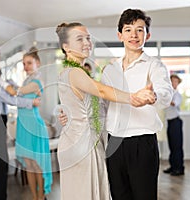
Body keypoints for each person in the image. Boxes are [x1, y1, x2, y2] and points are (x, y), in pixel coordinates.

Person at [55, 22, 156, 200]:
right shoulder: (74, 73)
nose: (87, 42)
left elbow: (94, 105)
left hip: (88, 140)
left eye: (88, 38)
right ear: (66, 47)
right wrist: (134, 97)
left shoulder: (79, 72)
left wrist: (68, 114)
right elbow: (102, 91)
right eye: (79, 39)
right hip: (81, 144)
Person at [102, 9, 173, 200]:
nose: (134, 35)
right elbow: (101, 104)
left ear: (147, 35)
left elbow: (166, 94)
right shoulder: (109, 69)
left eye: (139, 30)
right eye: (128, 29)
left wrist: (154, 96)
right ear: (120, 35)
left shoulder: (154, 65)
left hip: (142, 143)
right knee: (119, 196)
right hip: (114, 143)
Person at [0, 50, 40, 200]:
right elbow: (8, 99)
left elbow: (14, 90)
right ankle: (0, 196)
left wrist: (16, 87)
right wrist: (30, 103)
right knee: (2, 160)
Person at [15, 47, 53, 200]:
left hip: (34, 125)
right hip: (22, 125)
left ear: (37, 63)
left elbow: (15, 93)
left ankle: (41, 197)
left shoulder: (37, 82)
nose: (26, 67)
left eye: (29, 63)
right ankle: (34, 197)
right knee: (29, 165)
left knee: (37, 166)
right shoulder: (26, 81)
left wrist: (14, 93)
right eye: (24, 64)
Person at [163, 74, 184, 176]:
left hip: (176, 122)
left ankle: (179, 168)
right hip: (170, 122)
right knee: (172, 145)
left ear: (178, 83)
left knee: (177, 146)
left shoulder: (177, 95)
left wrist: (165, 99)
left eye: (175, 81)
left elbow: (174, 103)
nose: (173, 83)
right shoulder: (169, 94)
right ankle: (173, 166)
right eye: (172, 81)